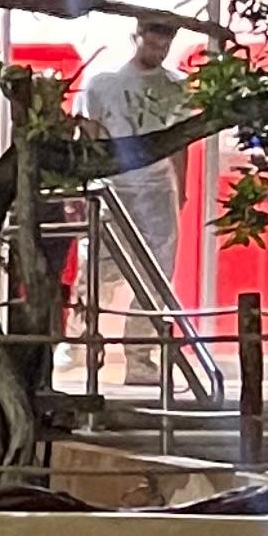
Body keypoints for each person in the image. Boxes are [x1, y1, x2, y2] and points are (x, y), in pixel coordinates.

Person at [77, 17, 194, 325]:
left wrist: (181, 188)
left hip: (157, 186)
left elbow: (180, 143)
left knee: (157, 268)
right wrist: (83, 186)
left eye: (164, 46)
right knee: (98, 264)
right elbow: (89, 136)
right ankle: (83, 336)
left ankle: (142, 343)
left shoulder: (177, 87)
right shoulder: (102, 84)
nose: (159, 51)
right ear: (137, 36)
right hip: (112, 186)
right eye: (153, 43)